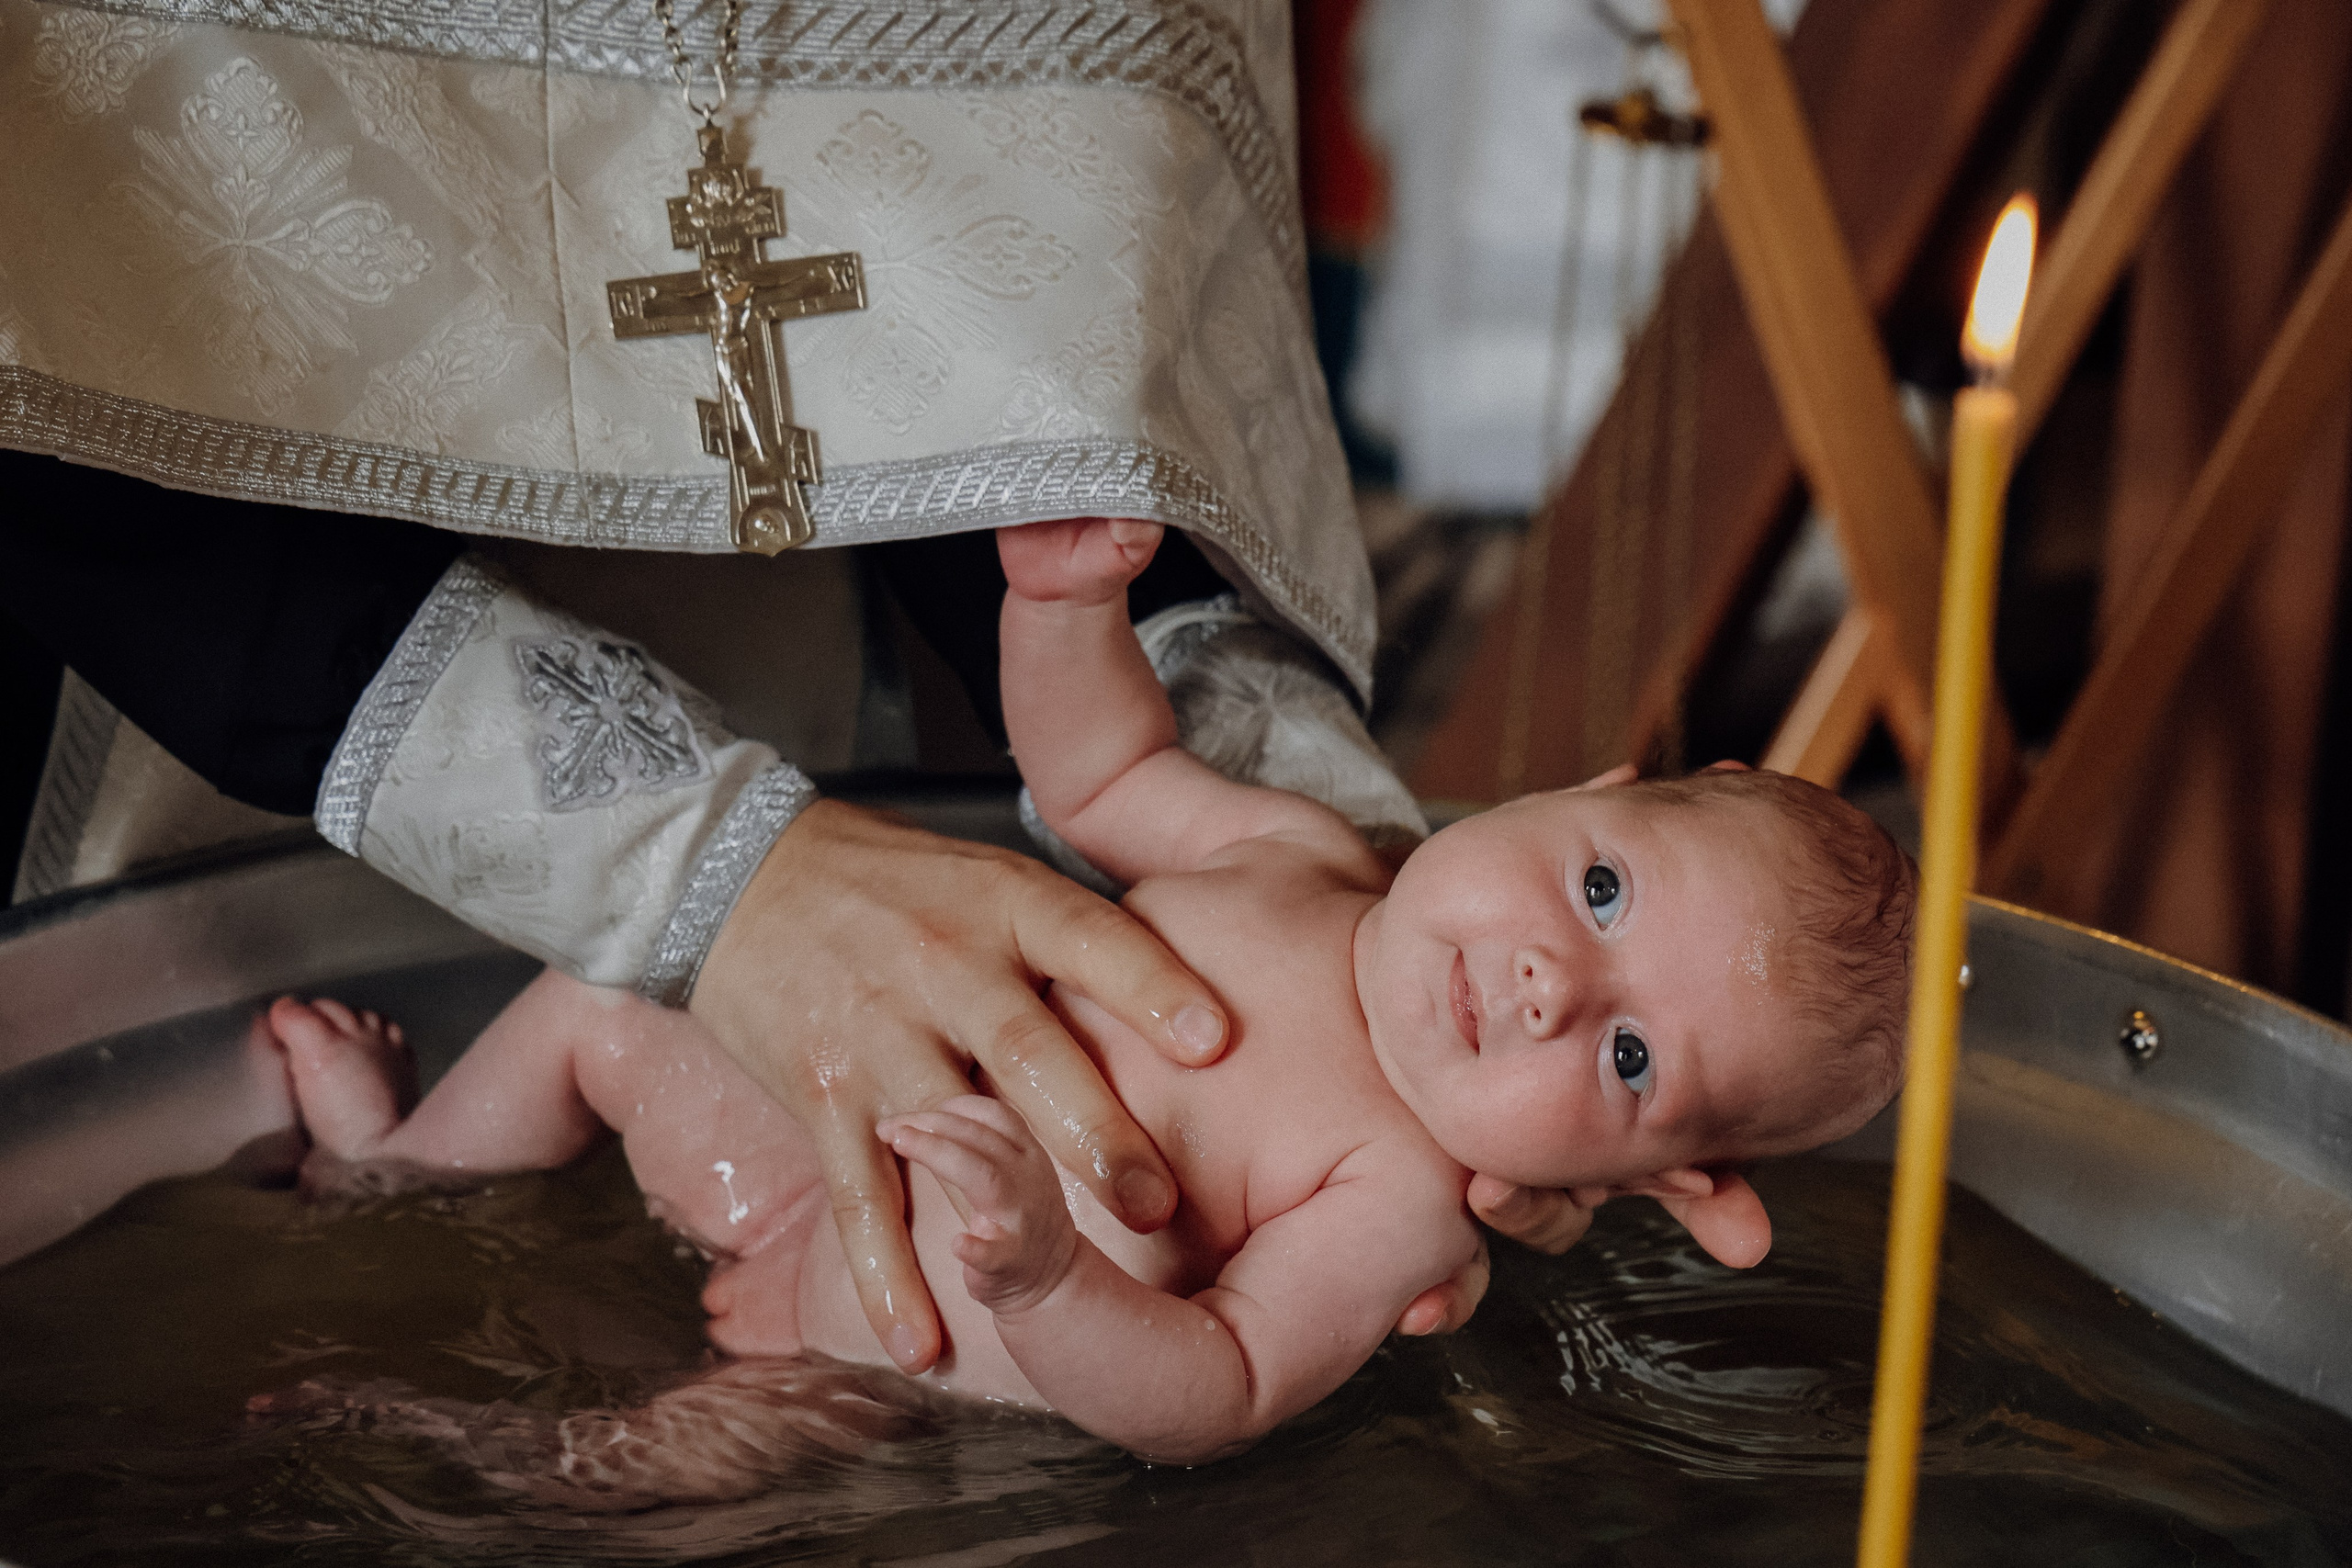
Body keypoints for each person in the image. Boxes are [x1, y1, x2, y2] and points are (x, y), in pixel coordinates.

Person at [260, 513, 1912, 1488]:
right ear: (1590, 787)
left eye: (1629, 1055)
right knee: (607, 993)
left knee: (602, 1491)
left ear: (1661, 1184)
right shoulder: (1298, 848)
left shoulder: (1407, 1199)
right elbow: (1102, 766)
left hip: (867, 1362)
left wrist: (1049, 1278)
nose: (1553, 983)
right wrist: (1063, 610)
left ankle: (429, 1437)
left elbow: (1222, 1389)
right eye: (1603, 887)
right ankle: (392, 1171)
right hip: (796, 1140)